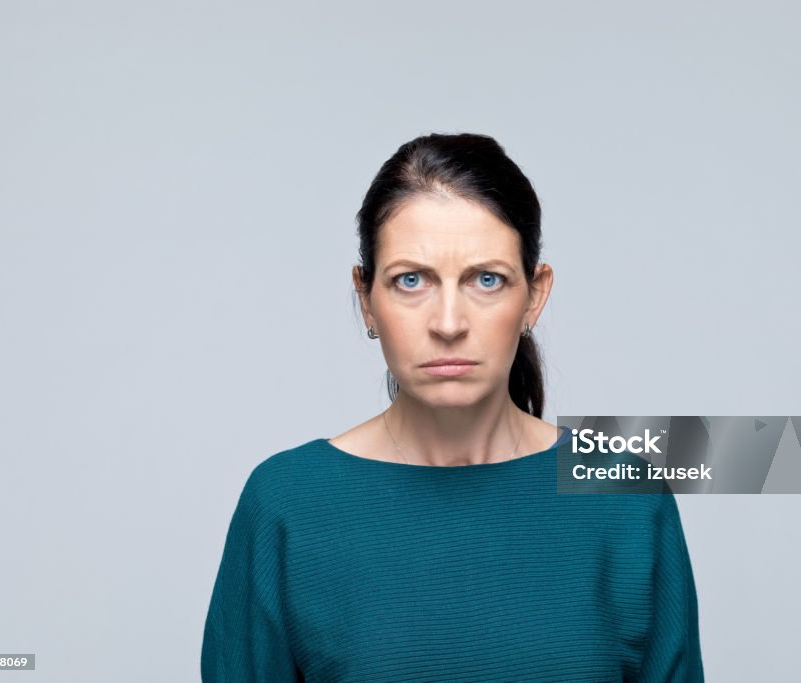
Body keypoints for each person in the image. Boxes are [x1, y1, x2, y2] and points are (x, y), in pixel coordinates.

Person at [201, 132, 704, 681]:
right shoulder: (287, 503)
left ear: (535, 295)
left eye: (486, 280)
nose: (447, 323)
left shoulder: (626, 494)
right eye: (410, 280)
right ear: (366, 298)